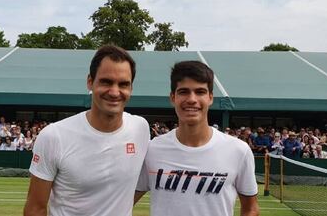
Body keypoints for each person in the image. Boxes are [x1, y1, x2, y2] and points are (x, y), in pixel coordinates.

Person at [24, 45, 150, 216]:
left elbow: (142, 182)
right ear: (90, 82)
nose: (114, 92)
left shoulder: (140, 128)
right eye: (106, 81)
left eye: (123, 84)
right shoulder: (54, 136)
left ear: (131, 89)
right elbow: (35, 208)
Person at [134, 61, 259, 216]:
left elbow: (251, 209)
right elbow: (121, 202)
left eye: (200, 92)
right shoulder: (152, 150)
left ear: (211, 98)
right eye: (183, 92)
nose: (192, 99)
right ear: (173, 97)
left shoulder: (239, 150)